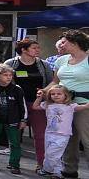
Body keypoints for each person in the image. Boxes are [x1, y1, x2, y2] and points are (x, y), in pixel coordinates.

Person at [5, 38, 53, 174]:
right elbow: (1, 80)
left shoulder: (44, 65)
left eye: (38, 48)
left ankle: (41, 164)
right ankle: (14, 163)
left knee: (40, 135)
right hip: (17, 104)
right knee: (15, 134)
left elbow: (51, 82)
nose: (38, 50)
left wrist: (44, 91)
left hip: (37, 104)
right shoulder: (10, 63)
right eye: (34, 48)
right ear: (23, 50)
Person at [45, 30, 89, 177]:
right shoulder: (61, 60)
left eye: (64, 42)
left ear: (75, 43)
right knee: (67, 139)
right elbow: (55, 82)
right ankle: (69, 170)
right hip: (63, 106)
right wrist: (44, 91)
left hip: (85, 105)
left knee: (87, 140)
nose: (61, 45)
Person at [35, 85, 89, 179]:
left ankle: (47, 170)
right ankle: (57, 173)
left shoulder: (70, 106)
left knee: (52, 154)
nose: (56, 95)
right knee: (50, 154)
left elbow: (85, 106)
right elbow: (35, 107)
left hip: (62, 135)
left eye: (59, 94)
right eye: (53, 94)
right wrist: (39, 98)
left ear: (66, 95)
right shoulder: (48, 105)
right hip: (49, 133)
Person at [0, 63, 27, 174]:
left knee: (14, 143)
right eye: (5, 75)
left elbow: (23, 105)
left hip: (13, 119)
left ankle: (14, 164)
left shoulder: (17, 89)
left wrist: (23, 120)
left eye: (10, 75)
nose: (8, 77)